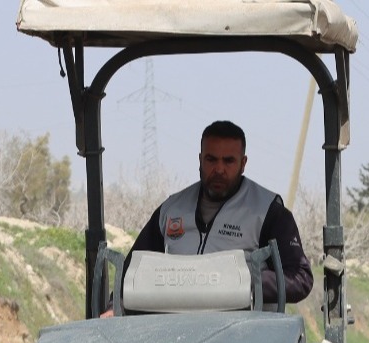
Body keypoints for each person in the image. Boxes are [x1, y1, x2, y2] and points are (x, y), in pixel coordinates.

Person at [112, 120, 313, 314]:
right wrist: (113, 305)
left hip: (245, 337)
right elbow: (132, 273)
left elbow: (300, 278)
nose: (219, 169)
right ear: (200, 159)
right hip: (175, 333)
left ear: (243, 163)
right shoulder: (172, 210)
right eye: (211, 159)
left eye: (228, 161)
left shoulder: (268, 211)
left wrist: (244, 281)